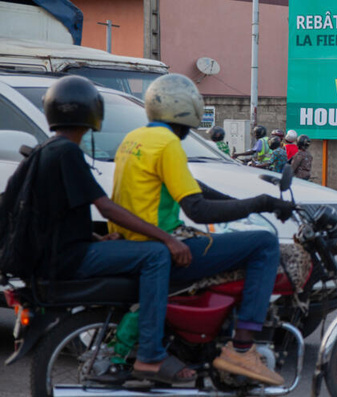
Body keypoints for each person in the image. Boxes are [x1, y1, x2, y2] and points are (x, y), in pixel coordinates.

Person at [13, 76, 202, 384]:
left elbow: (55, 216)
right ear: (94, 113)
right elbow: (107, 207)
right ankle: (151, 354)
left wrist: (100, 237)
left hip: (59, 252)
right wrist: (167, 238)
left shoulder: (45, 149)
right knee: (156, 255)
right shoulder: (68, 153)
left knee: (148, 251)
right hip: (70, 258)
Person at [111, 74, 297, 384]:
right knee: (264, 243)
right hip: (165, 246)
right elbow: (196, 209)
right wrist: (259, 203)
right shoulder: (168, 143)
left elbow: (193, 187)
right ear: (185, 110)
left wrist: (252, 202)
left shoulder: (136, 138)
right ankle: (241, 347)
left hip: (136, 244)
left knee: (236, 239)